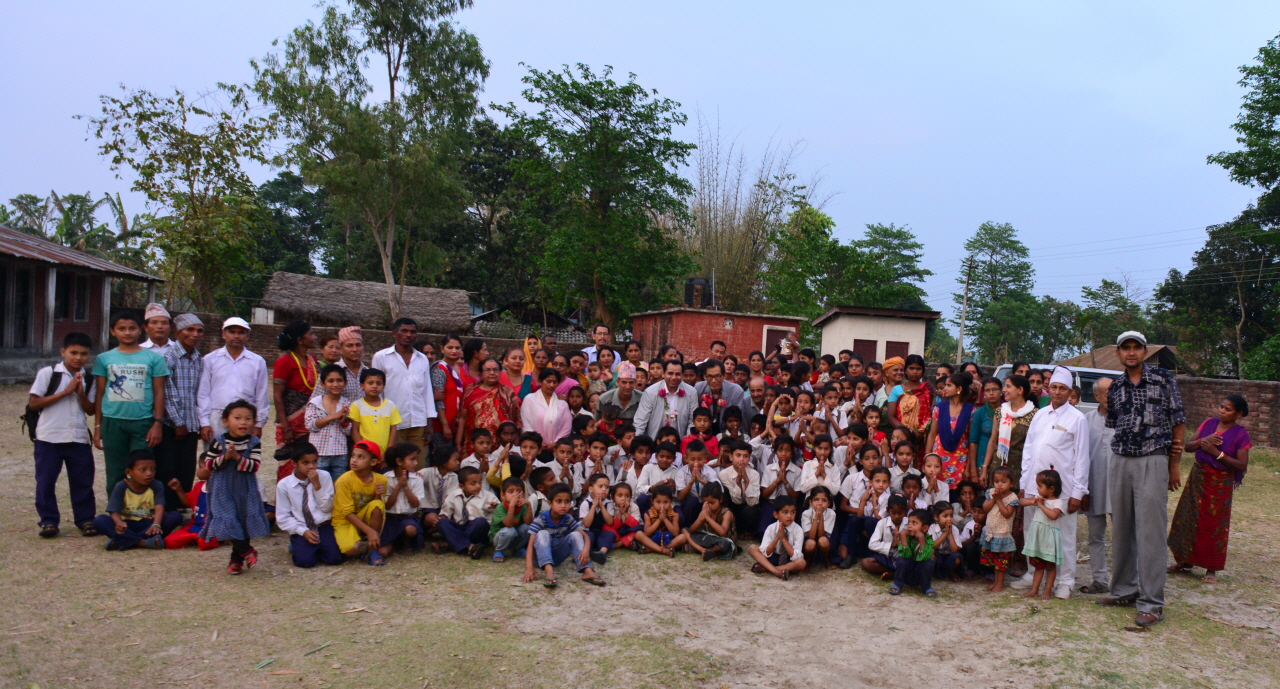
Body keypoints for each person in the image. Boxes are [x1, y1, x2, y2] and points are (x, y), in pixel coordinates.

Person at [1097, 332, 1186, 628]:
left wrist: (1174, 465)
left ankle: (1152, 603)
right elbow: (1112, 426)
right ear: (1119, 353)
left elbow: (1178, 423)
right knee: (1121, 527)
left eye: (1136, 348)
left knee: (1150, 532)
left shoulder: (1162, 379)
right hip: (1121, 459)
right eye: (1126, 348)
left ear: (1145, 351)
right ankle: (1124, 589)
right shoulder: (1116, 386)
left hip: (1153, 457)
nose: (1131, 353)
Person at [1014, 366, 1089, 598]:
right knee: (1032, 530)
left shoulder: (1077, 419)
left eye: (1062, 389)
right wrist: (1024, 481)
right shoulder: (1040, 414)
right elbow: (1029, 449)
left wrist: (1078, 492)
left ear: (1069, 391)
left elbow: (1082, 457)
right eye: (1054, 387)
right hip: (1035, 486)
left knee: (1063, 534)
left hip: (1062, 488)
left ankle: (1065, 580)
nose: (1057, 392)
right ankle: (1032, 572)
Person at [1168, 394, 1251, 584]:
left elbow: (1241, 465)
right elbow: (1187, 446)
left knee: (1213, 524)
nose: (1222, 411)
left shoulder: (1240, 434)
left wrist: (1217, 454)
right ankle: (1184, 562)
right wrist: (1201, 442)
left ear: (1238, 413)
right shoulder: (1209, 424)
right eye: (1221, 407)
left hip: (1219, 484)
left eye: (1228, 409)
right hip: (1198, 477)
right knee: (1187, 517)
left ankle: (1211, 568)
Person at [93, 311, 169, 497]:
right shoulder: (104, 358)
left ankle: (142, 510)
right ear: (112, 331)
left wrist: (157, 423)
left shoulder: (154, 359)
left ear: (141, 330)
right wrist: (97, 427)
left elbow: (159, 392)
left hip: (143, 422)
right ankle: (116, 509)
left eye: (132, 328)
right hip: (112, 422)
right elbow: (101, 393)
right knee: (115, 469)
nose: (127, 332)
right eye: (121, 328)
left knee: (143, 469)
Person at [29, 332, 98, 538]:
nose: (78, 358)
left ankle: (85, 519)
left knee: (83, 481)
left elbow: (91, 410)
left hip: (77, 437)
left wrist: (81, 394)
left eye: (83, 354)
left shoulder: (90, 377)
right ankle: (49, 521)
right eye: (73, 352)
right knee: (46, 481)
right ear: (63, 352)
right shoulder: (48, 373)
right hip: (49, 436)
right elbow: (34, 403)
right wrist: (65, 392)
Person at [199, 400, 271, 574]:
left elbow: (254, 466)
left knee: (242, 520)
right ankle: (247, 551)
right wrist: (225, 458)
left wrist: (237, 458)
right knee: (226, 519)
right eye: (237, 418)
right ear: (225, 421)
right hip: (222, 488)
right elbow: (208, 464)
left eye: (248, 418)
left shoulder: (254, 442)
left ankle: (235, 561)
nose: (243, 422)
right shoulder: (218, 441)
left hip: (245, 488)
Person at [158, 313, 204, 509]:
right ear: (177, 332)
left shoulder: (198, 358)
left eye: (199, 330)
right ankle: (167, 508)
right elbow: (168, 394)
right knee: (168, 468)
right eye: (189, 330)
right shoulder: (169, 357)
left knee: (187, 468)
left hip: (191, 425)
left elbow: (198, 393)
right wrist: (178, 423)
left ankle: (183, 506)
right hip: (172, 425)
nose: (195, 334)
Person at [92, 450, 182, 551]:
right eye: (143, 470)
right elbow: (114, 512)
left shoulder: (156, 485)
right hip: (127, 525)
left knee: (175, 516)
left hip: (149, 525)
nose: (149, 473)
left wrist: (156, 524)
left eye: (153, 469)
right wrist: (119, 524)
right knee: (100, 520)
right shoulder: (121, 486)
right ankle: (143, 542)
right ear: (129, 472)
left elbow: (160, 507)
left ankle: (124, 541)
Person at [197, 317, 269, 442]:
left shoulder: (257, 361)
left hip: (245, 418)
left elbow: (261, 395)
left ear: (247, 336)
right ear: (223, 334)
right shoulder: (210, 359)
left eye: (241, 332)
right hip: (217, 416)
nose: (236, 336)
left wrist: (258, 424)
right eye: (232, 332)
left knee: (243, 457)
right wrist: (204, 423)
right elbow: (203, 393)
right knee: (215, 458)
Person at [372, 318, 437, 455]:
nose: (408, 335)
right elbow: (377, 392)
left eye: (412, 332)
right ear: (394, 333)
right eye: (404, 331)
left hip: (419, 422)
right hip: (393, 423)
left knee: (417, 467)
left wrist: (429, 421)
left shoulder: (422, 359)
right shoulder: (381, 357)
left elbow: (427, 391)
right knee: (396, 464)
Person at [275, 444, 344, 568]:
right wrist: (303, 531)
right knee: (305, 562)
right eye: (305, 463)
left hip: (323, 524)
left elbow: (327, 507)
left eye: (314, 462)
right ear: (295, 464)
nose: (311, 466)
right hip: (302, 526)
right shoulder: (284, 485)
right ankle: (300, 545)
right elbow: (283, 516)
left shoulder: (324, 476)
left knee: (334, 558)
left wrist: (317, 486)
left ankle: (316, 547)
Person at [523, 483, 604, 587]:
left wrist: (585, 550)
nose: (563, 505)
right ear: (550, 503)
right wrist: (529, 568)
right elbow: (530, 545)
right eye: (559, 501)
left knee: (575, 535)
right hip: (539, 558)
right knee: (543, 533)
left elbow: (585, 536)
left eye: (567, 502)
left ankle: (587, 571)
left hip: (557, 557)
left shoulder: (567, 518)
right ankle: (549, 571)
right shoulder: (541, 519)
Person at [1080, 376, 1115, 595]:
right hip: (1093, 485)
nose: (1110, 397)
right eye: (1105, 393)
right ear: (1096, 396)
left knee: (1123, 537)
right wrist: (1082, 489)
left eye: (1114, 392)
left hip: (1120, 487)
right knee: (1095, 535)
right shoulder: (1086, 420)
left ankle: (1124, 581)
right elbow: (1080, 456)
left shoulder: (1126, 419)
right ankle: (1100, 580)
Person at [332, 440, 389, 564]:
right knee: (351, 550)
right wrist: (370, 531)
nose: (354, 460)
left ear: (373, 462)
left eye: (360, 457)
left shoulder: (381, 480)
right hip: (344, 520)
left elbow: (378, 508)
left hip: (362, 518)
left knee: (377, 504)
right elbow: (346, 512)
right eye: (353, 455)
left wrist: (377, 495)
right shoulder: (344, 480)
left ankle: (371, 550)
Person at [456, 358, 522, 457]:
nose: (492, 373)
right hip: (473, 442)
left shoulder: (507, 392)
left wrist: (515, 445)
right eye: (487, 370)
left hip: (501, 444)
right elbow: (462, 417)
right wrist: (458, 442)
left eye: (495, 370)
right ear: (480, 373)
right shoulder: (470, 390)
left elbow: (516, 421)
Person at [272, 321, 321, 454]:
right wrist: (285, 427)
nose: (315, 337)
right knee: (290, 463)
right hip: (291, 425)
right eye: (311, 334)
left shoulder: (313, 360)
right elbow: (277, 396)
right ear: (300, 340)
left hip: (312, 422)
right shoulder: (284, 362)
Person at [1020, 469, 1067, 600]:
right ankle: (1034, 590)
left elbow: (1054, 515)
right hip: (1038, 538)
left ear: (1051, 489)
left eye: (1040, 486)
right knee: (1038, 565)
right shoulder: (1039, 499)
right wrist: (1033, 501)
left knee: (1050, 566)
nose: (1037, 489)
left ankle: (1047, 591)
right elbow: (1021, 502)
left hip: (1049, 539)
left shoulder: (1057, 502)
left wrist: (1041, 505)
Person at [924, 372, 973, 492]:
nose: (945, 388)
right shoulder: (939, 408)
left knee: (956, 494)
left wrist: (969, 467)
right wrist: (927, 457)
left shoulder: (971, 410)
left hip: (960, 458)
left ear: (959, 389)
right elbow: (932, 434)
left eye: (949, 385)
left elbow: (971, 440)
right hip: (939, 456)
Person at [435, 466, 498, 558]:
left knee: (480, 522)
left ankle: (451, 544)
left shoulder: (488, 496)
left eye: (480, 482)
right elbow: (445, 513)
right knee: (441, 522)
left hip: (480, 532)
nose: (478, 486)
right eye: (473, 483)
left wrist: (496, 507)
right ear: (462, 486)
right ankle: (471, 547)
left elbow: (500, 512)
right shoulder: (454, 495)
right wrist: (442, 519)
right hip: (462, 527)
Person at [306, 364, 354, 479]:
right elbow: (310, 425)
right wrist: (333, 417)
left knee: (338, 484)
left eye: (339, 380)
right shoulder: (315, 403)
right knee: (319, 483)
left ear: (345, 383)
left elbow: (348, 431)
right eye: (330, 381)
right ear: (323, 384)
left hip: (340, 453)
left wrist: (343, 422)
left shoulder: (347, 404)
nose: (335, 384)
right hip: (319, 453)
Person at [381, 442, 426, 556]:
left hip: (408, 517)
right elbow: (388, 505)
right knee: (383, 552)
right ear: (399, 461)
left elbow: (415, 504)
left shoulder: (417, 479)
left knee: (410, 529)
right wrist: (398, 486)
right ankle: (395, 541)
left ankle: (406, 541)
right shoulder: (386, 478)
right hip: (391, 519)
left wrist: (405, 487)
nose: (416, 463)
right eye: (412, 459)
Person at [634, 359, 698, 438]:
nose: (674, 377)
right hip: (655, 440)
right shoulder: (650, 392)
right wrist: (636, 442)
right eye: (670, 373)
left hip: (680, 440)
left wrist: (688, 441)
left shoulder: (691, 392)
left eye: (677, 374)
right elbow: (640, 420)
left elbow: (692, 420)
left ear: (682, 375)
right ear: (663, 374)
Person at [887, 354, 932, 464]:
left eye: (918, 369)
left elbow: (932, 414)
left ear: (923, 371)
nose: (915, 372)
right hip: (901, 437)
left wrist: (920, 432)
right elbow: (890, 416)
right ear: (906, 370)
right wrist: (908, 432)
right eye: (911, 368)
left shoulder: (929, 390)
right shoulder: (896, 390)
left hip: (922, 438)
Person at [981, 467, 1020, 592]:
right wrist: (993, 498)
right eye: (997, 481)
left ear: (1011, 483)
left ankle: (1000, 584)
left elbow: (1007, 514)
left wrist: (999, 500)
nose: (999, 484)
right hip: (991, 533)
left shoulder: (1012, 498)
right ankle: (996, 582)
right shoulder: (991, 492)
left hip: (1002, 534)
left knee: (1001, 562)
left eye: (1003, 482)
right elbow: (985, 508)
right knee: (994, 560)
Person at [748, 495, 805, 580]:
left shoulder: (798, 530)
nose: (789, 516)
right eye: (785, 512)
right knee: (752, 548)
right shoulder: (771, 528)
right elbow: (765, 553)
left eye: (793, 512)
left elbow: (796, 556)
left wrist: (783, 539)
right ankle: (777, 572)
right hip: (773, 557)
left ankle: (766, 569)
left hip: (789, 560)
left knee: (801, 563)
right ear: (776, 514)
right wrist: (777, 538)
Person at [349, 369, 400, 456]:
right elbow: (354, 431)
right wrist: (363, 450)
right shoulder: (356, 405)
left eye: (378, 383)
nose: (374, 386)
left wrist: (388, 452)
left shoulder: (390, 405)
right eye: (370, 383)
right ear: (362, 385)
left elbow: (393, 430)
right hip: (365, 453)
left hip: (384, 454)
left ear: (383, 386)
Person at [522, 368, 572, 454]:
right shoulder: (530, 399)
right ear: (540, 381)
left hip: (556, 450)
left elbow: (566, 427)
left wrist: (555, 443)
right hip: (533, 449)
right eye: (548, 381)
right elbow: (525, 423)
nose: (551, 385)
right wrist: (537, 442)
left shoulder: (562, 404)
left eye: (554, 382)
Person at [693, 359, 748, 433]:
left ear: (724, 375)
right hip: (704, 434)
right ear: (704, 376)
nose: (713, 381)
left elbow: (738, 420)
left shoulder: (736, 391)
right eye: (709, 376)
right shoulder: (698, 389)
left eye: (717, 376)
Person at [891, 509, 937, 597]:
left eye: (914, 523)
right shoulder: (907, 538)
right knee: (902, 559)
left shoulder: (929, 540)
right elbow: (905, 555)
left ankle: (926, 587)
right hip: (907, 574)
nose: (910, 526)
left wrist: (922, 540)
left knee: (929, 562)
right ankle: (898, 584)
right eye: (909, 523)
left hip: (920, 575)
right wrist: (903, 537)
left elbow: (924, 557)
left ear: (924, 528)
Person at [966, 376, 1003, 485]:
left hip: (1002, 459)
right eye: (987, 390)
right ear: (983, 393)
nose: (991, 393)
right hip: (981, 459)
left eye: (995, 389)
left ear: (1001, 391)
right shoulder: (979, 413)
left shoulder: (1008, 411)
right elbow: (973, 442)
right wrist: (973, 471)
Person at [686, 482, 737, 561]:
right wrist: (701, 519)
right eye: (706, 502)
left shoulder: (726, 513)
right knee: (685, 530)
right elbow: (692, 530)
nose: (709, 505)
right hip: (708, 539)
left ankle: (707, 550)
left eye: (712, 503)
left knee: (725, 544)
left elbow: (722, 532)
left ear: (720, 500)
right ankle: (703, 550)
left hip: (722, 541)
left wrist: (708, 518)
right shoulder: (705, 511)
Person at [490, 477, 534, 563]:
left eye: (519, 491)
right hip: (499, 538)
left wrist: (529, 505)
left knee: (528, 527)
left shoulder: (523, 505)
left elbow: (528, 522)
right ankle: (499, 551)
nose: (515, 495)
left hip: (514, 536)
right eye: (511, 492)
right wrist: (511, 507)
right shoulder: (501, 507)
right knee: (509, 530)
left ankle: (517, 549)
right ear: (503, 495)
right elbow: (508, 524)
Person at [802, 486, 837, 569]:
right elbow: (811, 536)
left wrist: (820, 517)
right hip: (810, 539)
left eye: (824, 500)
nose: (820, 503)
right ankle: (808, 560)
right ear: (811, 502)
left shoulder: (831, 513)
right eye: (816, 500)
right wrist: (816, 518)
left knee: (823, 540)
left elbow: (821, 535)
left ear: (828, 503)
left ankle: (826, 558)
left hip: (825, 539)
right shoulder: (806, 514)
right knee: (810, 543)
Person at [332, 326, 369, 402]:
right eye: (349, 346)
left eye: (358, 345)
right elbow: (317, 401)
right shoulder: (332, 371)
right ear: (341, 349)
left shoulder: (368, 373)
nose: (355, 350)